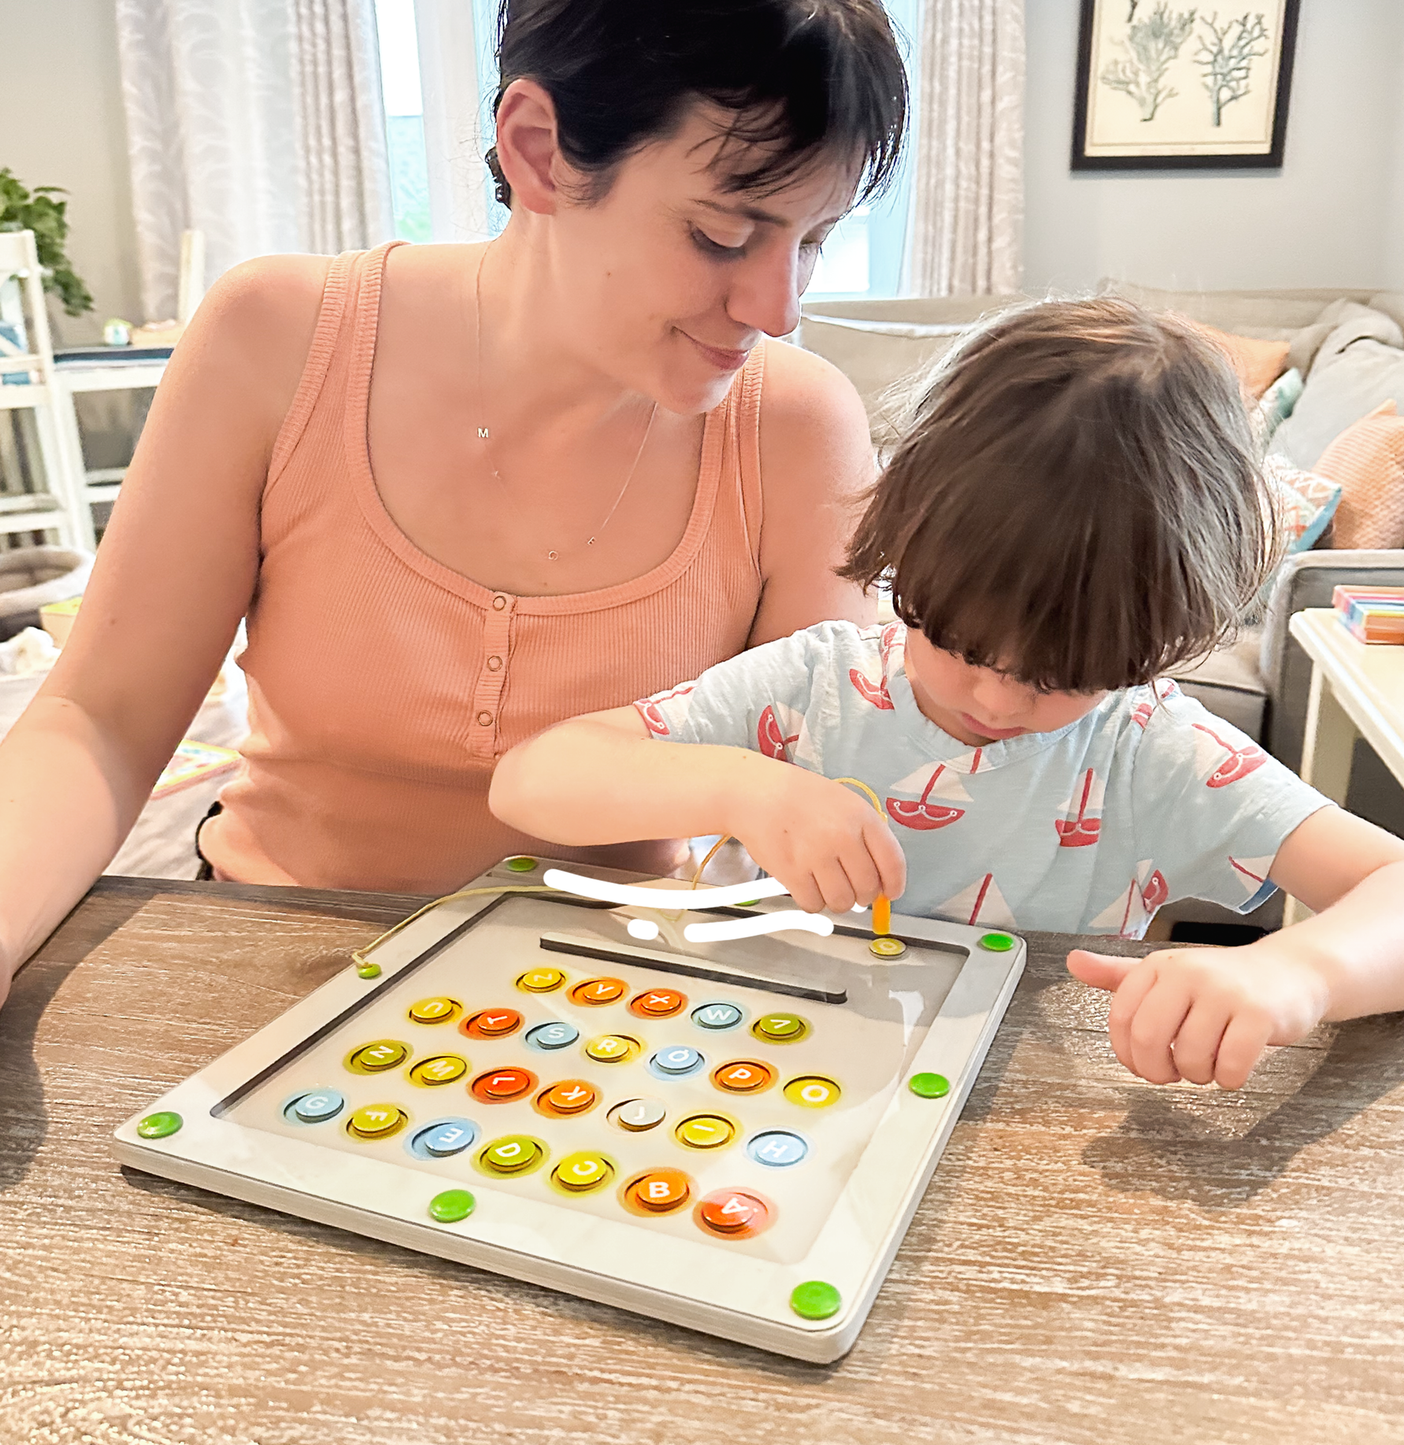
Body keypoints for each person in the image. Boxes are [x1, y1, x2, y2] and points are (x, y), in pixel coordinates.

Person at [0, 0, 909, 1012]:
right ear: (537, 150)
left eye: (816, 240)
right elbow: (100, 718)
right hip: (269, 959)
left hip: (612, 1008)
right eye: (721, 233)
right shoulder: (277, 340)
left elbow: (844, 775)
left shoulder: (792, 427)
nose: (777, 308)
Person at [490, 297, 1404, 1091]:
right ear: (905, 553)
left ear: (1153, 645)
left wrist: (1297, 971)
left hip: (1003, 1116)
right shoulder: (814, 683)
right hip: (733, 1071)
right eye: (952, 636)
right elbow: (530, 779)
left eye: (1063, 674)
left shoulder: (1150, 751)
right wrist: (744, 786)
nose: (994, 695)